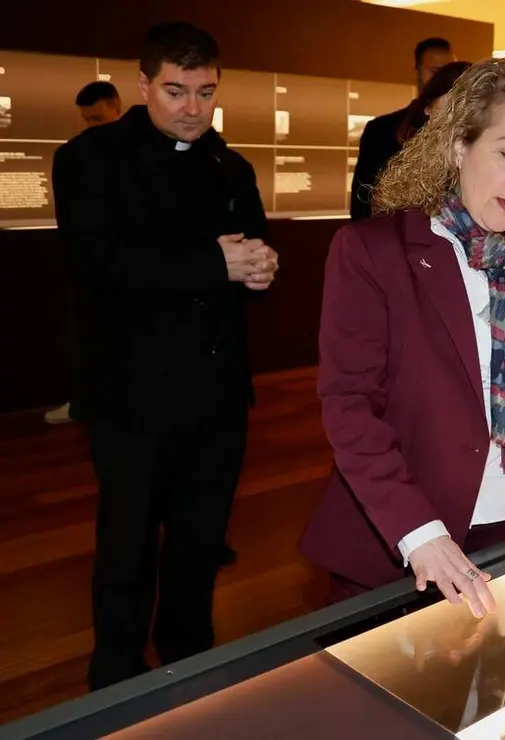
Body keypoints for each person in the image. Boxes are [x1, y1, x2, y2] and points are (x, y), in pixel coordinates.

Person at [299, 58, 505, 617]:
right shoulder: (373, 252)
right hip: (400, 546)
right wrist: (419, 532)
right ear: (457, 146)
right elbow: (351, 407)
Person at [51, 21, 277, 690]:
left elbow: (252, 251)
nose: (192, 107)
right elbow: (99, 263)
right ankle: (116, 682)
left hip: (217, 395)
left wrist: (262, 269)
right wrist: (217, 263)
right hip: (132, 395)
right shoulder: (89, 159)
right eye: (176, 90)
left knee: (200, 542)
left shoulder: (229, 165)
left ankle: (188, 667)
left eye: (205, 92)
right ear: (142, 84)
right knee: (125, 549)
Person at [45, 82, 125, 426]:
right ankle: (84, 404)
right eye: (88, 120)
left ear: (116, 109)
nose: (93, 126)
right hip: (95, 268)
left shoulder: (145, 153)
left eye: (99, 118)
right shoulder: (72, 156)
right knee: (88, 341)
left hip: (134, 268)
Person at [349, 37, 457, 220]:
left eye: (450, 73)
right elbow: (362, 204)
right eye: (436, 71)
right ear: (418, 72)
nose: (444, 81)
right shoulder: (381, 130)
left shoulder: (471, 135)